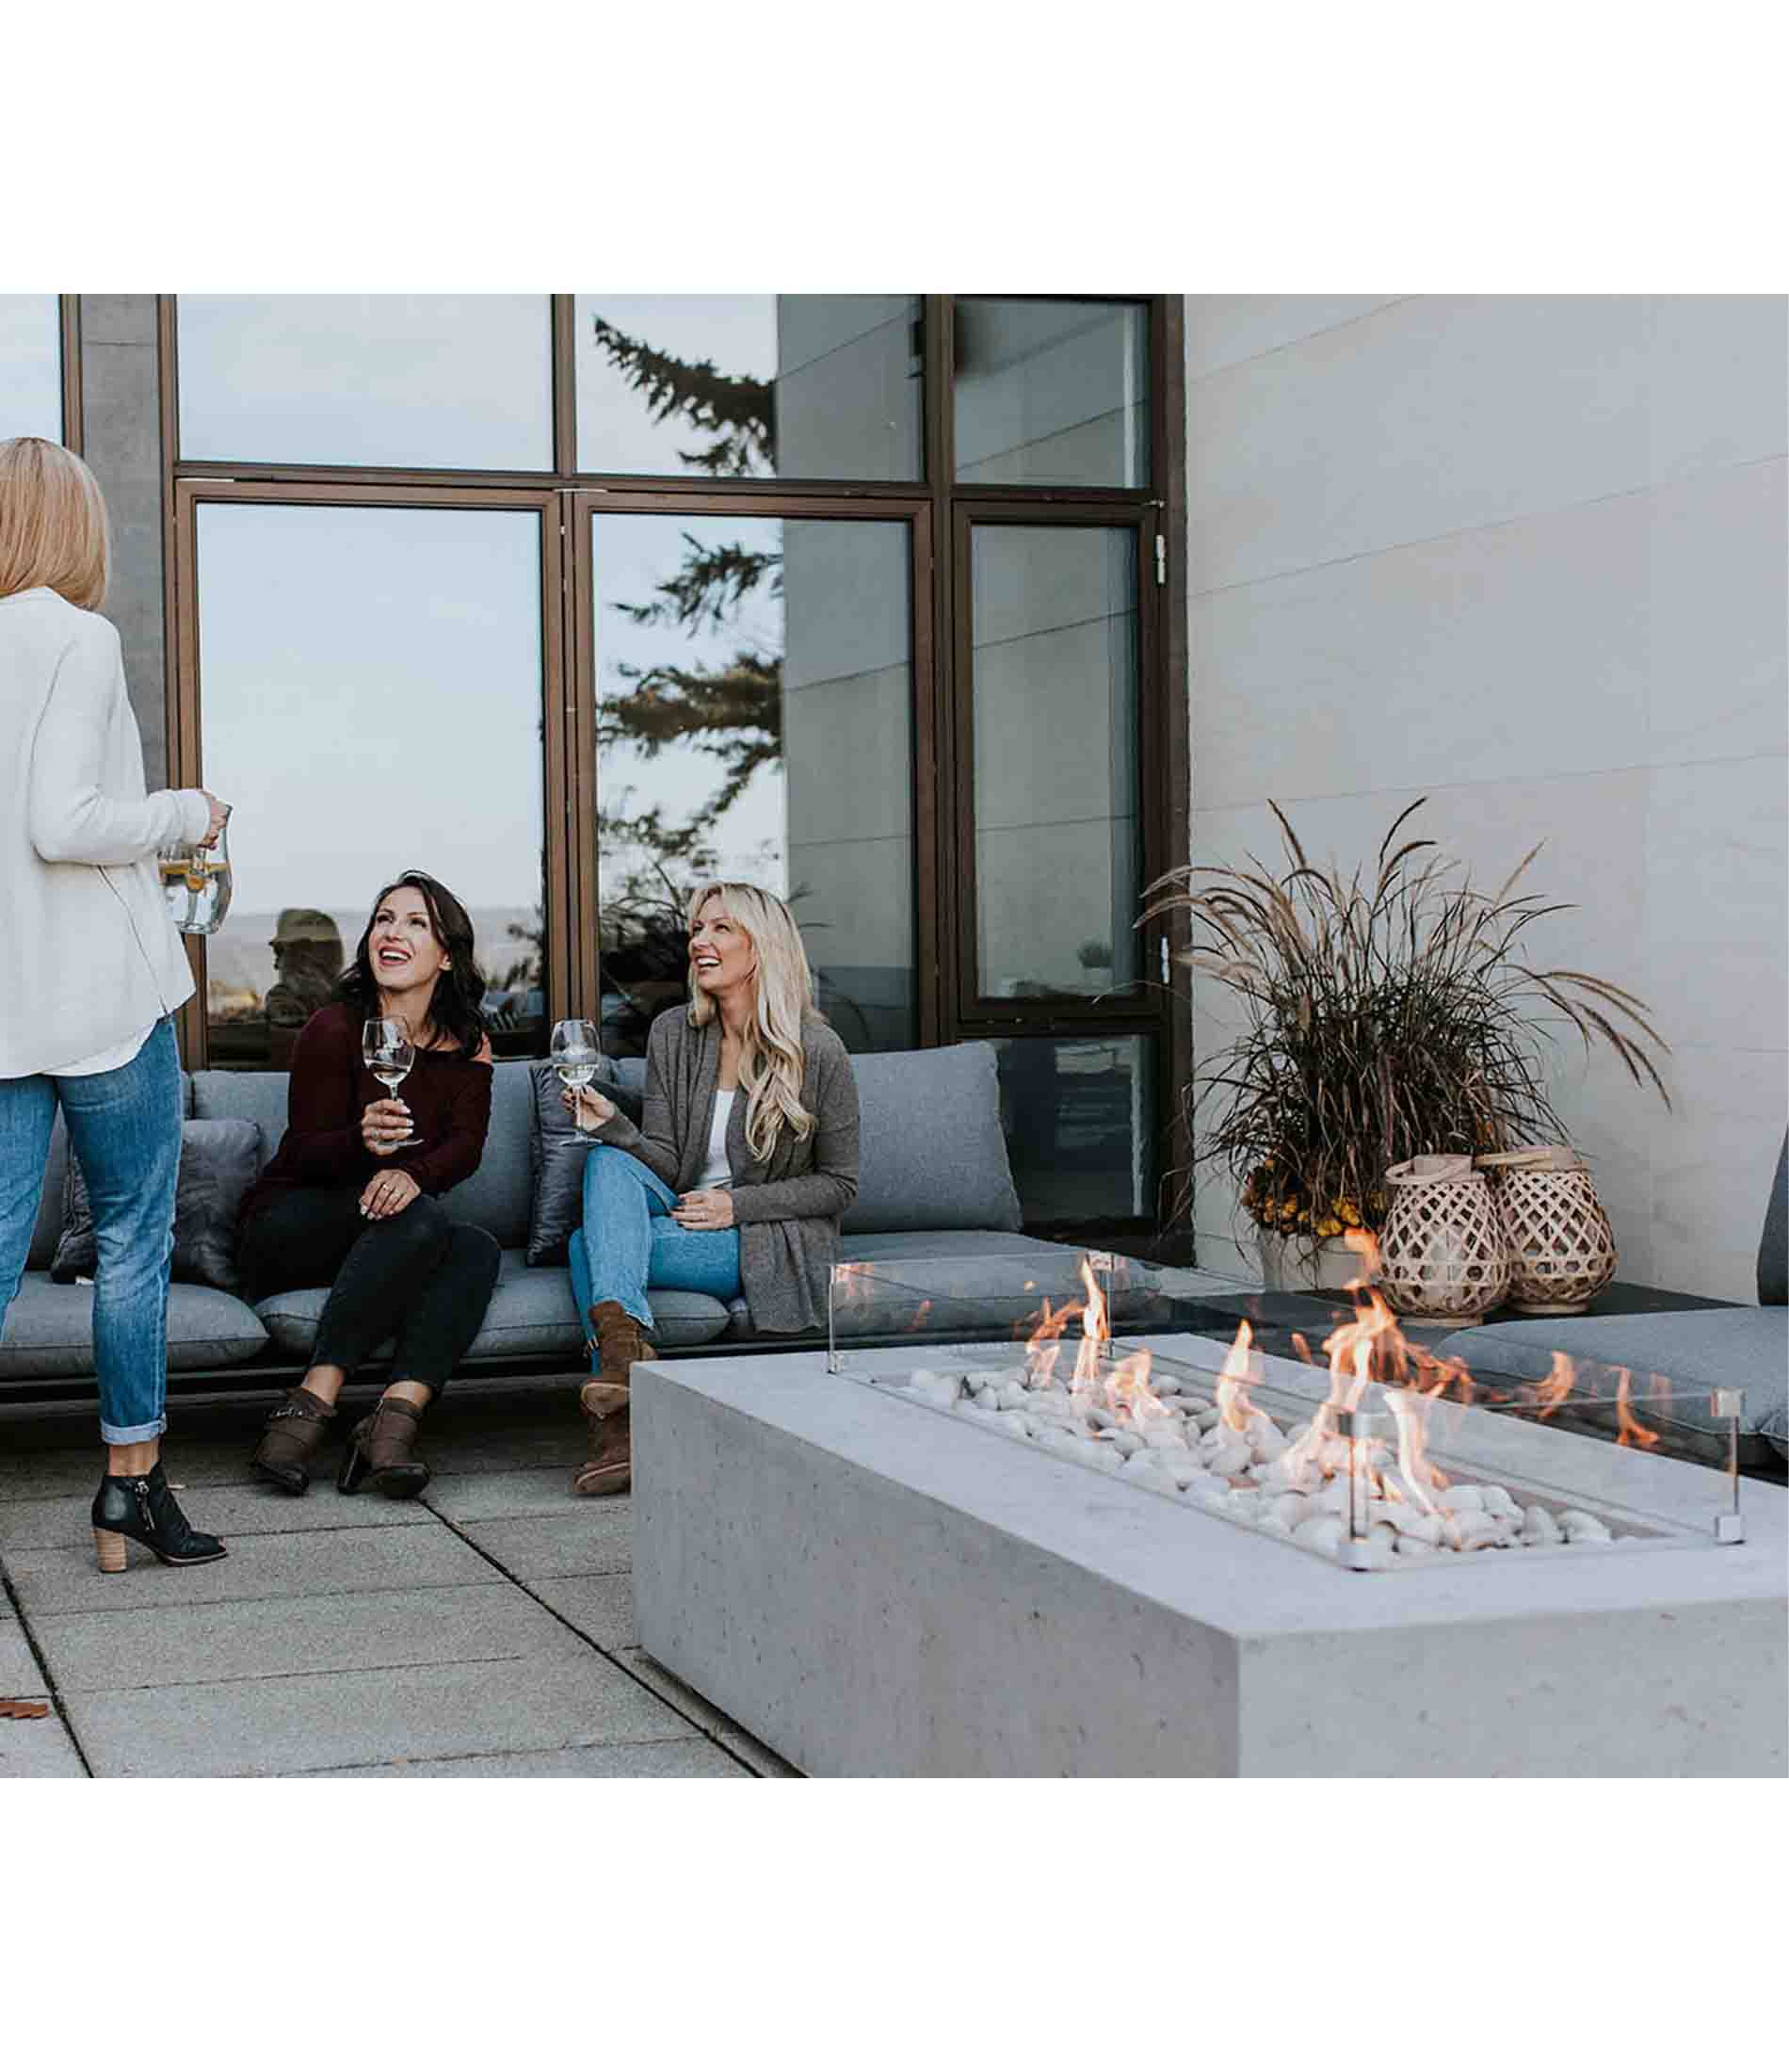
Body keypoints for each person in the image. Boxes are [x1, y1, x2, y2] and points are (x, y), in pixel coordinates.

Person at [0, 437, 231, 1572]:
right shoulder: (77, 637)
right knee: (136, 1239)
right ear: (74, 527)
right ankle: (129, 1491)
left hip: (3, 1004)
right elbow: (66, 822)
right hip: (102, 997)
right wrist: (183, 812)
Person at [563, 882, 860, 1497]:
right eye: (698, 928)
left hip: (764, 1236)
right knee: (606, 1161)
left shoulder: (818, 1049)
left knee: (583, 1248)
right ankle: (625, 1363)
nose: (700, 940)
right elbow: (670, 1163)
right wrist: (613, 1126)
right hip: (681, 1212)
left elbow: (839, 1184)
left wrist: (735, 1205)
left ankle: (620, 1429)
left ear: (763, 946)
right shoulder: (675, 1032)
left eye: (721, 928)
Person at [240, 872, 502, 1498]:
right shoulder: (333, 1028)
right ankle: (314, 1398)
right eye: (384, 919)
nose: (392, 933)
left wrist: (411, 1172)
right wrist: (361, 1141)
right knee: (423, 1219)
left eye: (416, 923)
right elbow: (300, 1153)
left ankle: (392, 1421)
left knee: (477, 1247)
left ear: (446, 955)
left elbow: (464, 1151)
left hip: (391, 1237)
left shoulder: (468, 1047)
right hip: (289, 1227)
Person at [264, 907, 343, 1068]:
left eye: (280, 952)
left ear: (303, 954)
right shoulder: (355, 1002)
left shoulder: (282, 999)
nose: (276, 965)